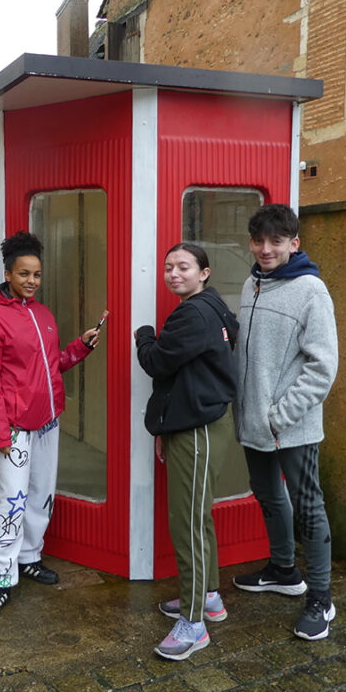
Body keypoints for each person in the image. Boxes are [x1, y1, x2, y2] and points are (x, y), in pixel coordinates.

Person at [0, 230, 100, 621]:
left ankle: (28, 557)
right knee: (11, 503)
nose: (31, 281)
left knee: (41, 495)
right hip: (13, 427)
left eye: (37, 274)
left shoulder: (43, 315)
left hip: (47, 421)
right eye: (24, 274)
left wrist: (79, 347)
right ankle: (0, 581)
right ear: (8, 273)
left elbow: (50, 367)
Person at [232, 203, 339, 641]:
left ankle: (321, 598)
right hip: (255, 422)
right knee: (267, 494)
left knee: (308, 505)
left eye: (276, 241)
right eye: (258, 241)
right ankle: (283, 570)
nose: (265, 249)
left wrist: (281, 416)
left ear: (294, 244)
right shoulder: (251, 283)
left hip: (291, 426)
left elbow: (323, 367)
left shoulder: (311, 290)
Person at [135, 243, 239, 660]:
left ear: (204, 272)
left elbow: (157, 362)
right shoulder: (213, 306)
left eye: (183, 267)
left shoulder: (192, 314)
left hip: (197, 431)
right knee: (199, 516)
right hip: (203, 423)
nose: (174, 273)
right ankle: (208, 597)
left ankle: (194, 624)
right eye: (168, 267)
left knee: (188, 524)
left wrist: (144, 335)